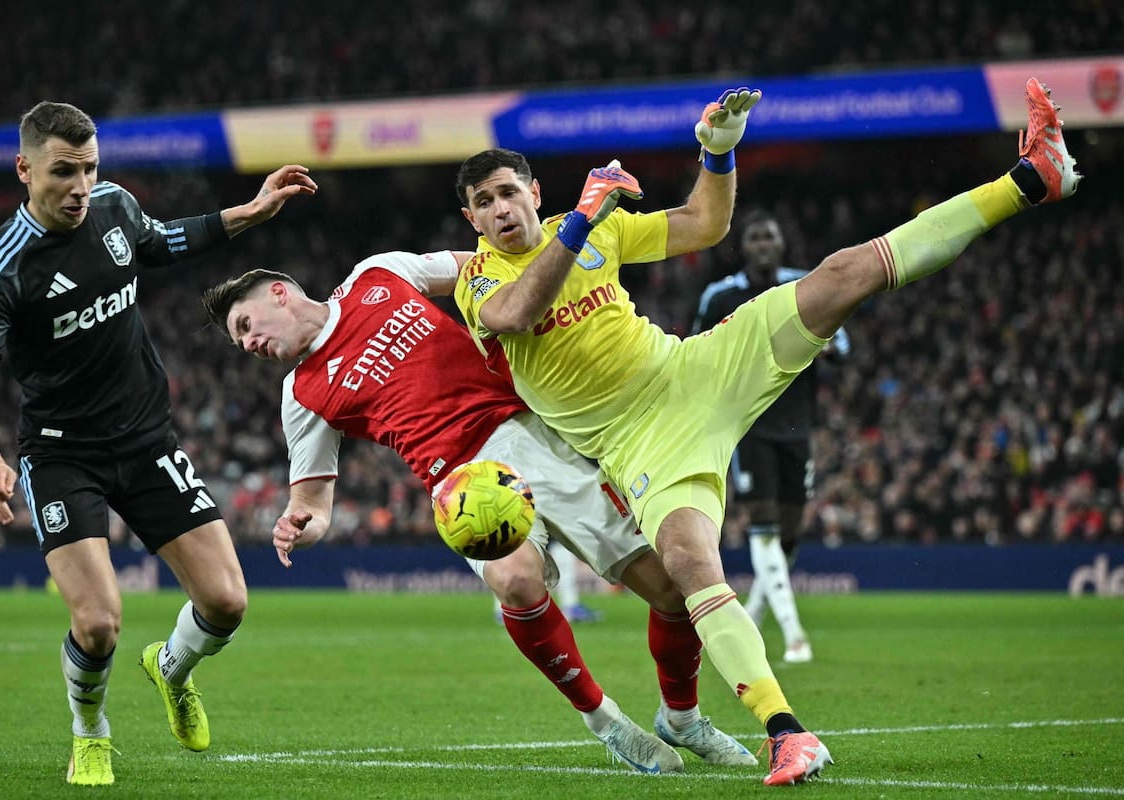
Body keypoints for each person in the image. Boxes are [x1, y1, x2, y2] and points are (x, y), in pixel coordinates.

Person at [451, 79, 1079, 786]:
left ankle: (1031, 178)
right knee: (690, 565)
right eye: (484, 203)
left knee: (841, 276)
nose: (500, 209)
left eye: (509, 192)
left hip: (695, 371)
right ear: (472, 221)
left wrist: (717, 155)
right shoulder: (480, 280)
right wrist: (579, 224)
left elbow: (705, 224)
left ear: (535, 192)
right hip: (638, 444)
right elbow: (520, 314)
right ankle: (787, 733)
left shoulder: (599, 228)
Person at [201, 254, 758, 774]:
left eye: (246, 325)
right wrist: (304, 524)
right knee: (516, 581)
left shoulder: (379, 275)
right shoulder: (302, 392)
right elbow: (312, 499)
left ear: (279, 294)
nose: (248, 343)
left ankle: (681, 717)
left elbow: (480, 266)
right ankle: (604, 720)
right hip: (463, 484)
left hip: (536, 433)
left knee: (669, 590)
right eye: (238, 340)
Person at [0, 101, 317, 786]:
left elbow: (165, 240)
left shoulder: (115, 206)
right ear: (25, 170)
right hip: (61, 454)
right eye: (63, 172)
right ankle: (90, 730)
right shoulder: (3, 267)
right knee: (98, 624)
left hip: (146, 439)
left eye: (89, 168)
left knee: (227, 602)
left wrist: (252, 212)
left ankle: (172, 668)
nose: (80, 186)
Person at [692, 211, 851, 664]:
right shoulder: (720, 295)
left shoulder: (805, 286)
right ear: (744, 248)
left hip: (798, 423)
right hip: (748, 423)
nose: (763, 245)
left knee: (791, 531)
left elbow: (842, 347)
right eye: (755, 238)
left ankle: (756, 612)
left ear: (782, 245)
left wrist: (831, 344)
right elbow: (695, 352)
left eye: (770, 237)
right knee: (762, 521)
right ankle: (795, 634)